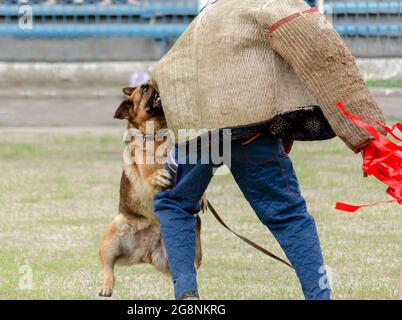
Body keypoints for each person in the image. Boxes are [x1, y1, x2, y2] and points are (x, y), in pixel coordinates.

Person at [151, 0, 386, 300]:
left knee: (173, 204)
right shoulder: (270, 4)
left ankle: (186, 293)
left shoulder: (208, 13)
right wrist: (368, 131)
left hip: (200, 130)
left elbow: (164, 70)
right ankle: (319, 297)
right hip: (249, 128)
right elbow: (321, 52)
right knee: (288, 214)